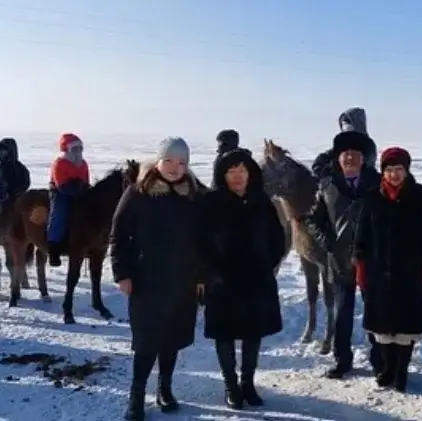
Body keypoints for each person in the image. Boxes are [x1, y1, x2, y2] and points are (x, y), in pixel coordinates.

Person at [108, 136, 205, 421]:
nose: (175, 168)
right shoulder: (139, 192)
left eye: (182, 162)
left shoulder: (194, 194)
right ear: (158, 161)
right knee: (147, 341)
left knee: (172, 338)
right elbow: (119, 235)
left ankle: (165, 388)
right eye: (169, 160)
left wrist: (202, 276)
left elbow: (205, 239)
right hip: (146, 279)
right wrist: (122, 273)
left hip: (183, 280)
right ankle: (136, 395)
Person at [199, 148, 286, 409]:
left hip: (256, 279)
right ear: (222, 175)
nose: (237, 176)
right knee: (224, 334)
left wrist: (268, 264)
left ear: (250, 173)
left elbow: (277, 239)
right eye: (231, 171)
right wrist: (210, 274)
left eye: (242, 170)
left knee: (253, 333)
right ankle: (231, 385)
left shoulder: (262, 202)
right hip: (222, 281)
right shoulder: (211, 203)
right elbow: (199, 243)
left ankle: (248, 383)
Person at [354, 147, 422, 392]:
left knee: (405, 327)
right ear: (383, 172)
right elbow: (362, 234)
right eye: (389, 169)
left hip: (411, 273)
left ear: (407, 170)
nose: (394, 174)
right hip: (378, 272)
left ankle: (401, 371)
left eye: (399, 169)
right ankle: (388, 368)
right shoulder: (372, 198)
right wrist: (360, 264)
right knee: (382, 326)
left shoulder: (421, 196)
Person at [304, 130, 383, 379]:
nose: (349, 157)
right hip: (338, 260)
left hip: (371, 259)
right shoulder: (327, 186)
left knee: (375, 311)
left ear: (363, 158)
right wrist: (328, 242)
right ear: (337, 158)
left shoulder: (378, 184)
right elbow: (313, 219)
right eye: (345, 153)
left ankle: (379, 359)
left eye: (355, 153)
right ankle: (342, 360)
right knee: (341, 313)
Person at [47, 133, 90, 267]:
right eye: (75, 148)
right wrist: (75, 188)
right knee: (59, 214)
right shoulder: (59, 163)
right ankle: (53, 249)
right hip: (61, 192)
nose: (78, 151)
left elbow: (86, 179)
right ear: (67, 149)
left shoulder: (83, 163)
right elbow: (61, 184)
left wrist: (85, 189)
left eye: (80, 148)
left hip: (79, 191)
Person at [311, 107, 377, 178]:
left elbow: (363, 165)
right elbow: (326, 156)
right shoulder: (343, 144)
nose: (346, 130)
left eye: (348, 127)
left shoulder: (367, 145)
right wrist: (319, 167)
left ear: (357, 125)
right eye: (343, 126)